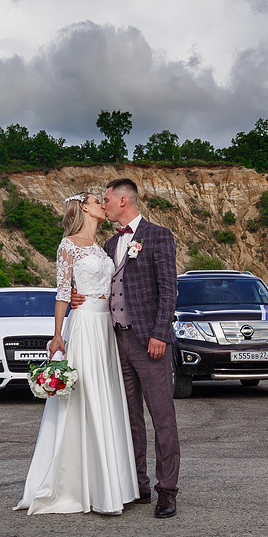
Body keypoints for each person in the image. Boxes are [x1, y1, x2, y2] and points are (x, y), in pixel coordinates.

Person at [15, 193, 136, 515]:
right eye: (97, 200)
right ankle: (75, 486)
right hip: (83, 324)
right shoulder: (68, 245)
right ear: (83, 207)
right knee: (84, 397)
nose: (102, 204)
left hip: (105, 327)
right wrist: (57, 335)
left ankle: (110, 484)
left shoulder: (103, 246)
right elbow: (63, 292)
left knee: (106, 396)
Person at [73, 177, 182, 518]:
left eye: (106, 199)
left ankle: (167, 490)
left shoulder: (158, 235)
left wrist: (160, 334)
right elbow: (100, 286)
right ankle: (138, 484)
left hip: (149, 340)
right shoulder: (108, 244)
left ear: (123, 201)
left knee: (161, 416)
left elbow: (168, 289)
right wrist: (80, 297)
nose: (103, 204)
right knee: (128, 417)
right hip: (114, 341)